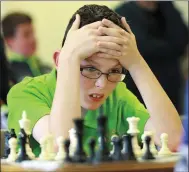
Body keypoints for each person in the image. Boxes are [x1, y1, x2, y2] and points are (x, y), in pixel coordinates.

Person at [7, 4, 182, 157]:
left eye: (114, 71)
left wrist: (136, 62)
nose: (102, 84)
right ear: (60, 61)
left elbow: (173, 140)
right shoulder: (25, 93)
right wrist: (70, 58)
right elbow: (60, 147)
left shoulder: (118, 96)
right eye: (90, 69)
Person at [115, 1, 188, 114]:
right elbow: (139, 47)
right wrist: (169, 47)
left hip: (171, 83)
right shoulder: (123, 12)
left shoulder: (168, 9)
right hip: (138, 84)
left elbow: (182, 40)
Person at [2, 12, 51, 83]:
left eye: (33, 33)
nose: (33, 39)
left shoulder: (45, 68)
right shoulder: (7, 73)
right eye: (26, 35)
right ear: (9, 41)